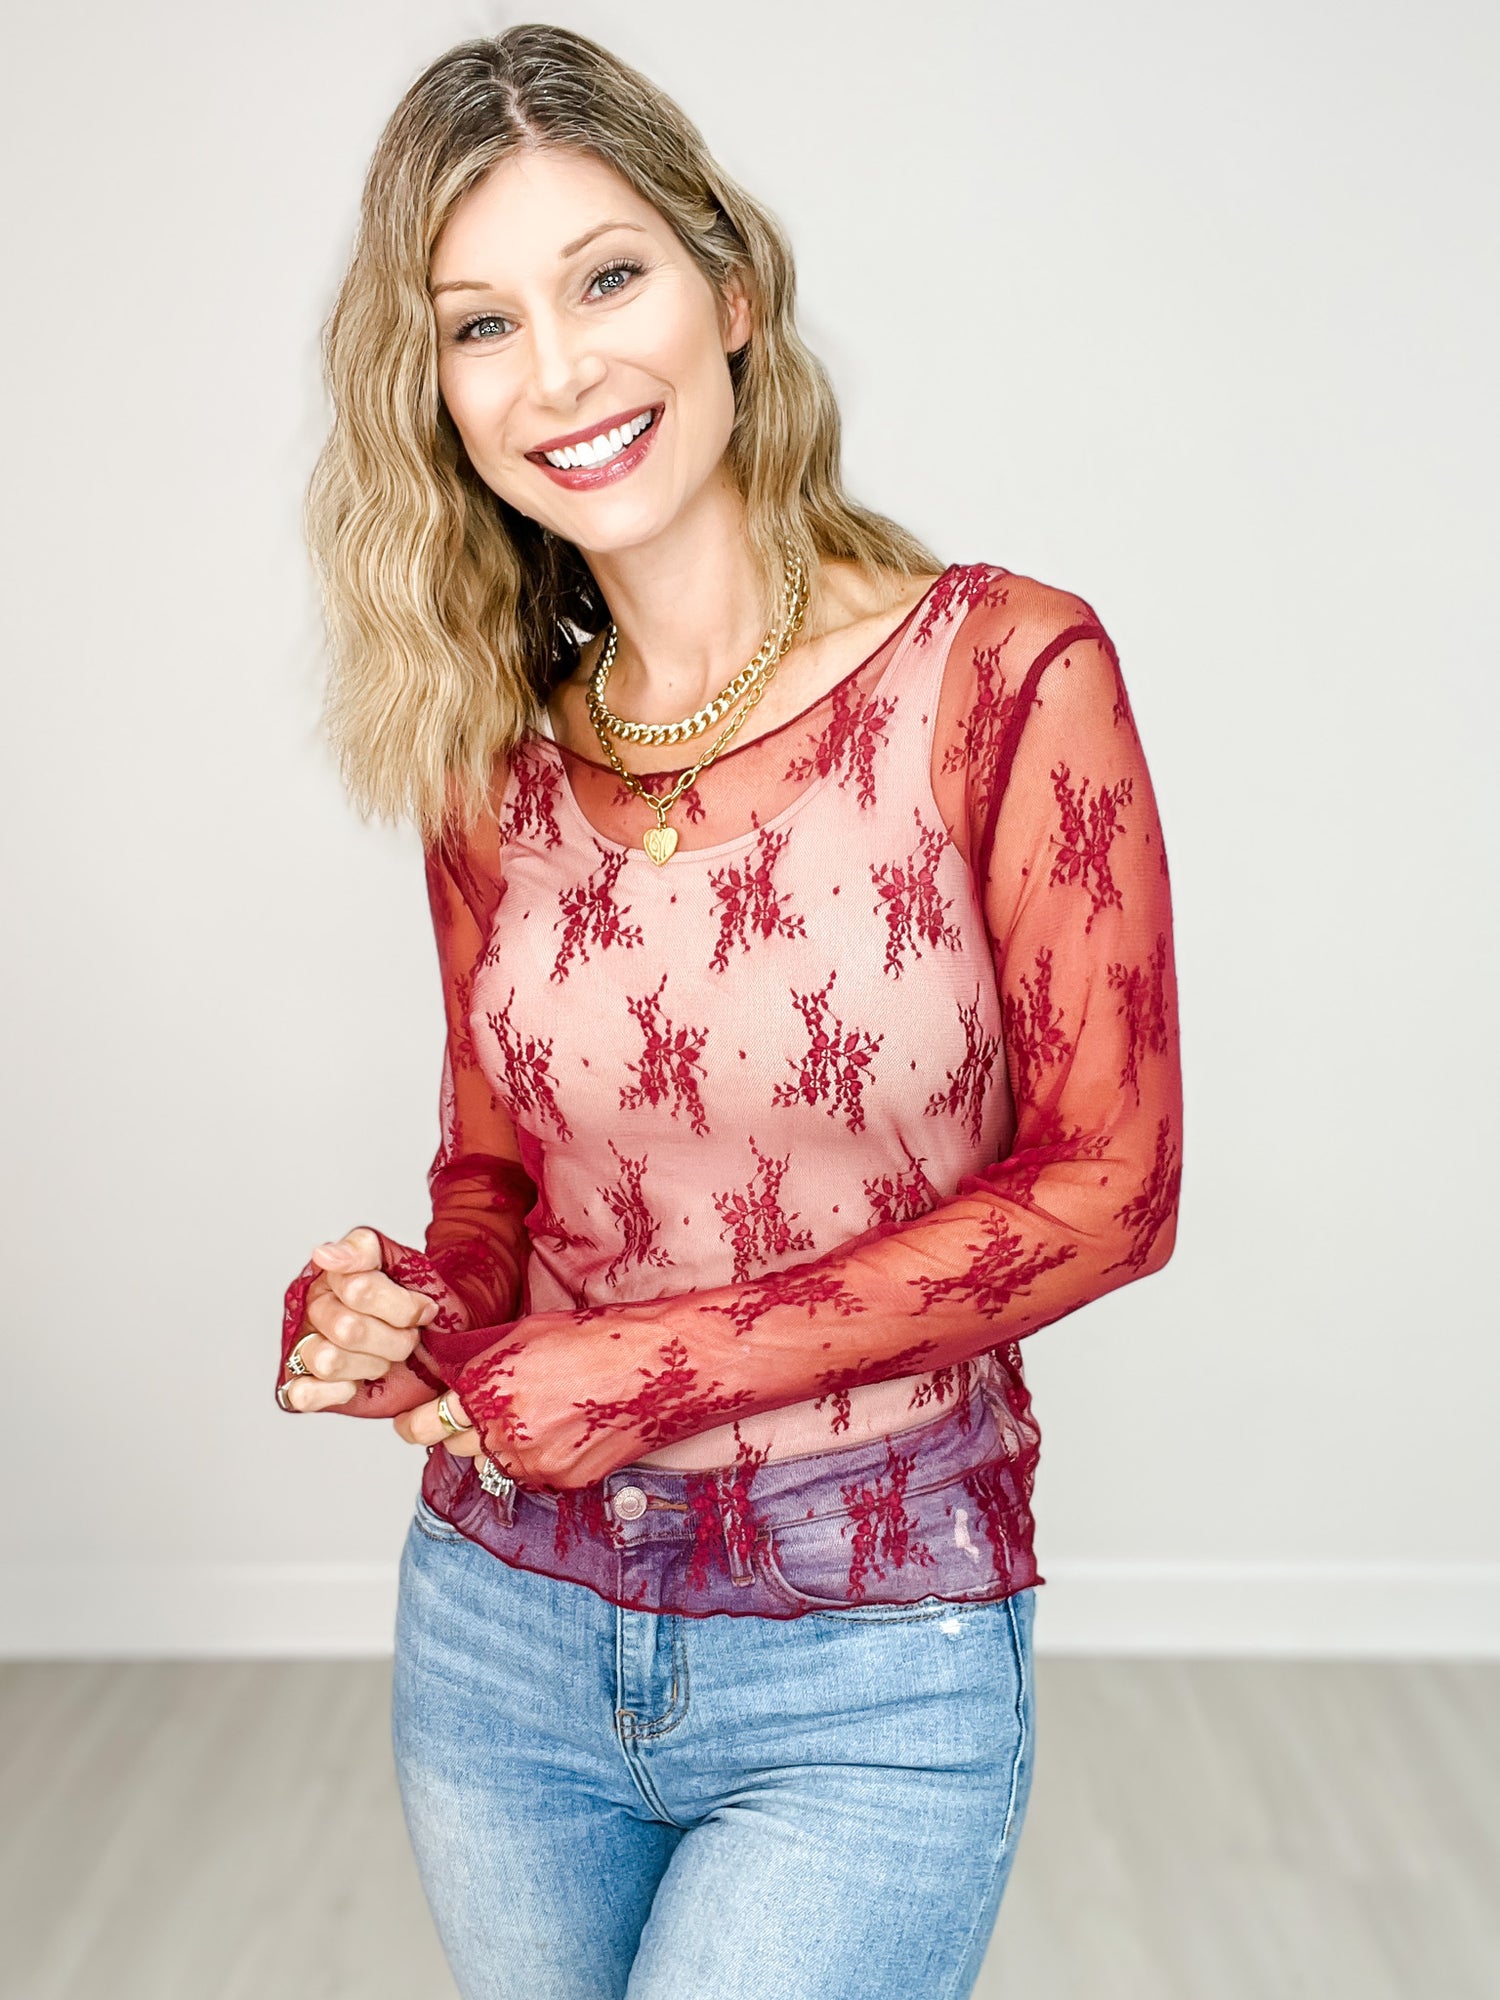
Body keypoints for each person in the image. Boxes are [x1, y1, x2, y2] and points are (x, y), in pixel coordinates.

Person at [274, 24, 1181, 2000]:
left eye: (607, 278)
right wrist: (422, 1308)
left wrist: (645, 1370)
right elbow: (494, 1166)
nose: (560, 371)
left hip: (870, 1636)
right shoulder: (490, 757)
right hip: (503, 1626)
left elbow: (1113, 1190)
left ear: (731, 290)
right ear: (437, 395)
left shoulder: (1007, 676)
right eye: (483, 324)